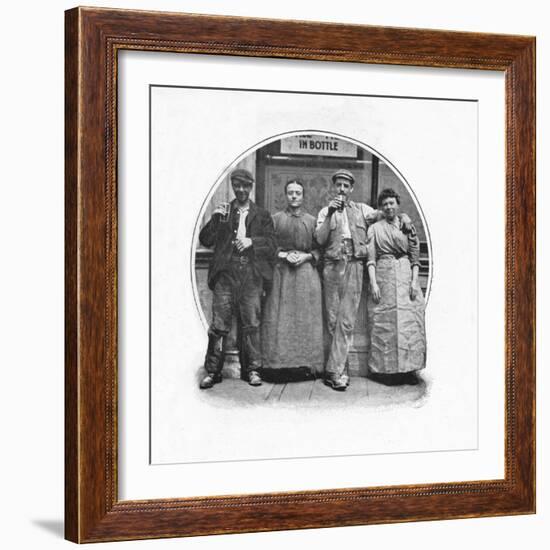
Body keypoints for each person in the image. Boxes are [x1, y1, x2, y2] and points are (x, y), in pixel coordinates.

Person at [315, 169, 411, 391]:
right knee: (331, 320)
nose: (341, 189)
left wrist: (403, 216)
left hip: (356, 266)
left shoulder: (362, 209)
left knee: (346, 321)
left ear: (351, 189)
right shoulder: (324, 212)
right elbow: (319, 239)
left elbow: (385, 213)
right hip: (332, 266)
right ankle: (339, 369)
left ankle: (334, 371)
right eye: (338, 185)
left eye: (346, 186)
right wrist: (330, 213)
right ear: (333, 187)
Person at [198, 168, 276, 389]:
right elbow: (205, 239)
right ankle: (212, 372)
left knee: (251, 323)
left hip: (251, 275)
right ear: (233, 187)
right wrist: (214, 220)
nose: (241, 190)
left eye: (245, 186)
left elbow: (272, 245)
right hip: (226, 275)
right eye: (237, 186)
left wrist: (252, 241)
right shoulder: (224, 212)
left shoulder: (262, 215)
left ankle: (252, 370)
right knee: (219, 326)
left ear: (251, 187)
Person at [261, 179, 324, 381]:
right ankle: (278, 366)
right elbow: (267, 246)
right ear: (285, 195)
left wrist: (306, 256)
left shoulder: (313, 221)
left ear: (303, 195)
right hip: (282, 274)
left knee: (305, 319)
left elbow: (320, 248)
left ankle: (306, 365)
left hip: (306, 275)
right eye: (290, 192)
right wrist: (283, 256)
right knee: (280, 318)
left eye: (298, 192)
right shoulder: (275, 219)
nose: (294, 196)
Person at [366, 188, 426, 384]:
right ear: (381, 208)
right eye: (385, 204)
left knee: (409, 324)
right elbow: (371, 258)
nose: (389, 207)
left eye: (392, 203)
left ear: (397, 204)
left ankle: (409, 370)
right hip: (384, 275)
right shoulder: (375, 228)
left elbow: (415, 256)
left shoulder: (406, 226)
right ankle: (386, 371)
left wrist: (415, 280)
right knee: (385, 323)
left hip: (405, 273)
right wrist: (374, 283)